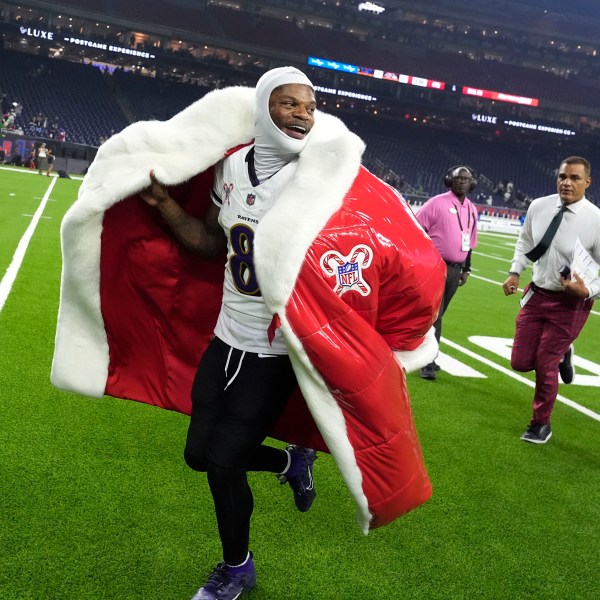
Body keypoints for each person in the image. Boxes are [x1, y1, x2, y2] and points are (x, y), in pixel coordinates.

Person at [51, 67, 445, 599]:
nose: (302, 114)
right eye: (288, 104)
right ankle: (288, 460)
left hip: (277, 346)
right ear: (264, 110)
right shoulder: (232, 166)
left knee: (223, 461)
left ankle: (237, 567)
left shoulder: (324, 181)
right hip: (226, 333)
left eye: (309, 105)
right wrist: (167, 207)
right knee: (198, 454)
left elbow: (382, 239)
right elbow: (212, 243)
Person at [503, 156, 600, 444]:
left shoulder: (596, 219)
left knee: (545, 362)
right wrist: (514, 272)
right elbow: (525, 242)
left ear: (587, 182)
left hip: (571, 304)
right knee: (520, 362)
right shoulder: (539, 206)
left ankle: (540, 424)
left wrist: (589, 291)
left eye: (574, 178)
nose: (566, 182)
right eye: (562, 176)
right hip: (537, 293)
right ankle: (565, 351)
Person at [416, 165, 479, 379]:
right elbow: (415, 228)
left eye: (466, 178)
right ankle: (428, 361)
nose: (462, 181)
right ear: (449, 181)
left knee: (438, 314)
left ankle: (424, 354)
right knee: (435, 315)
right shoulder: (436, 203)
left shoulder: (471, 208)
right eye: (458, 178)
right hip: (435, 266)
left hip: (454, 270)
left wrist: (466, 269)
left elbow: (469, 242)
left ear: (472, 183)